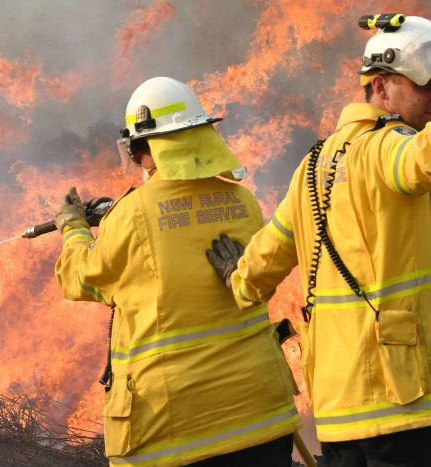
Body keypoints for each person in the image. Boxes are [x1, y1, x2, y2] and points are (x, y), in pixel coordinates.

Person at [205, 14, 431, 467]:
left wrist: (238, 278)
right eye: (425, 85)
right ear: (380, 87)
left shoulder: (312, 167)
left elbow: (266, 256)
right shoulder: (388, 147)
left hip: (340, 421)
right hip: (407, 412)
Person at [54, 76, 302, 467]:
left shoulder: (131, 213)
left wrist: (74, 228)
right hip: (261, 417)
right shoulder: (243, 201)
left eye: (136, 151)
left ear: (143, 149)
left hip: (176, 432)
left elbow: (79, 278)